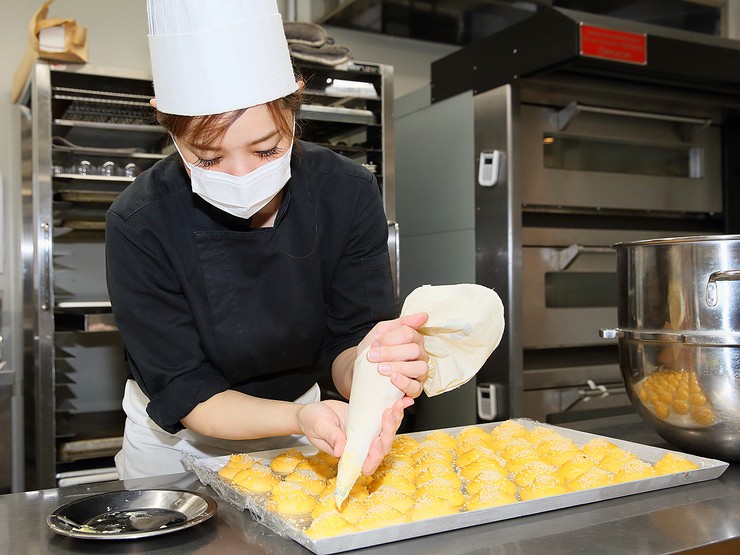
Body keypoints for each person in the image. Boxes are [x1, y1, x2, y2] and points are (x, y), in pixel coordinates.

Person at [105, 0, 430, 479]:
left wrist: (375, 364)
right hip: (173, 443)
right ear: (165, 121)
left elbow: (348, 341)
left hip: (306, 424)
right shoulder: (139, 220)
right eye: (209, 159)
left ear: (295, 101)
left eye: (266, 150)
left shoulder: (346, 192)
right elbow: (185, 387)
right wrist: (297, 417)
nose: (241, 177)